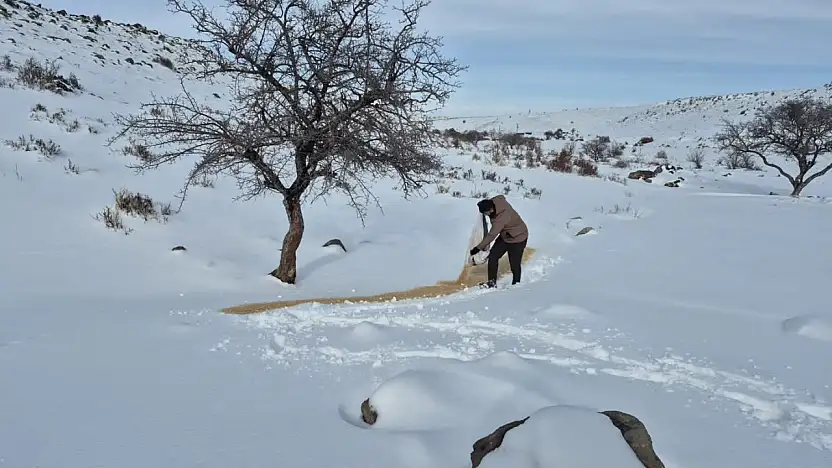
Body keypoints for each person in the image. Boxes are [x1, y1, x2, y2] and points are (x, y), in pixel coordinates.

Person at [469, 195, 528, 288]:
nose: (485, 215)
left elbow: (491, 235)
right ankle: (492, 283)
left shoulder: (500, 219)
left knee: (514, 263)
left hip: (518, 238)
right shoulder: (496, 201)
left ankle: (516, 285)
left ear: (491, 210)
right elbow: (501, 196)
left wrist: (477, 248)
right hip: (506, 235)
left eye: (485, 213)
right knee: (493, 256)